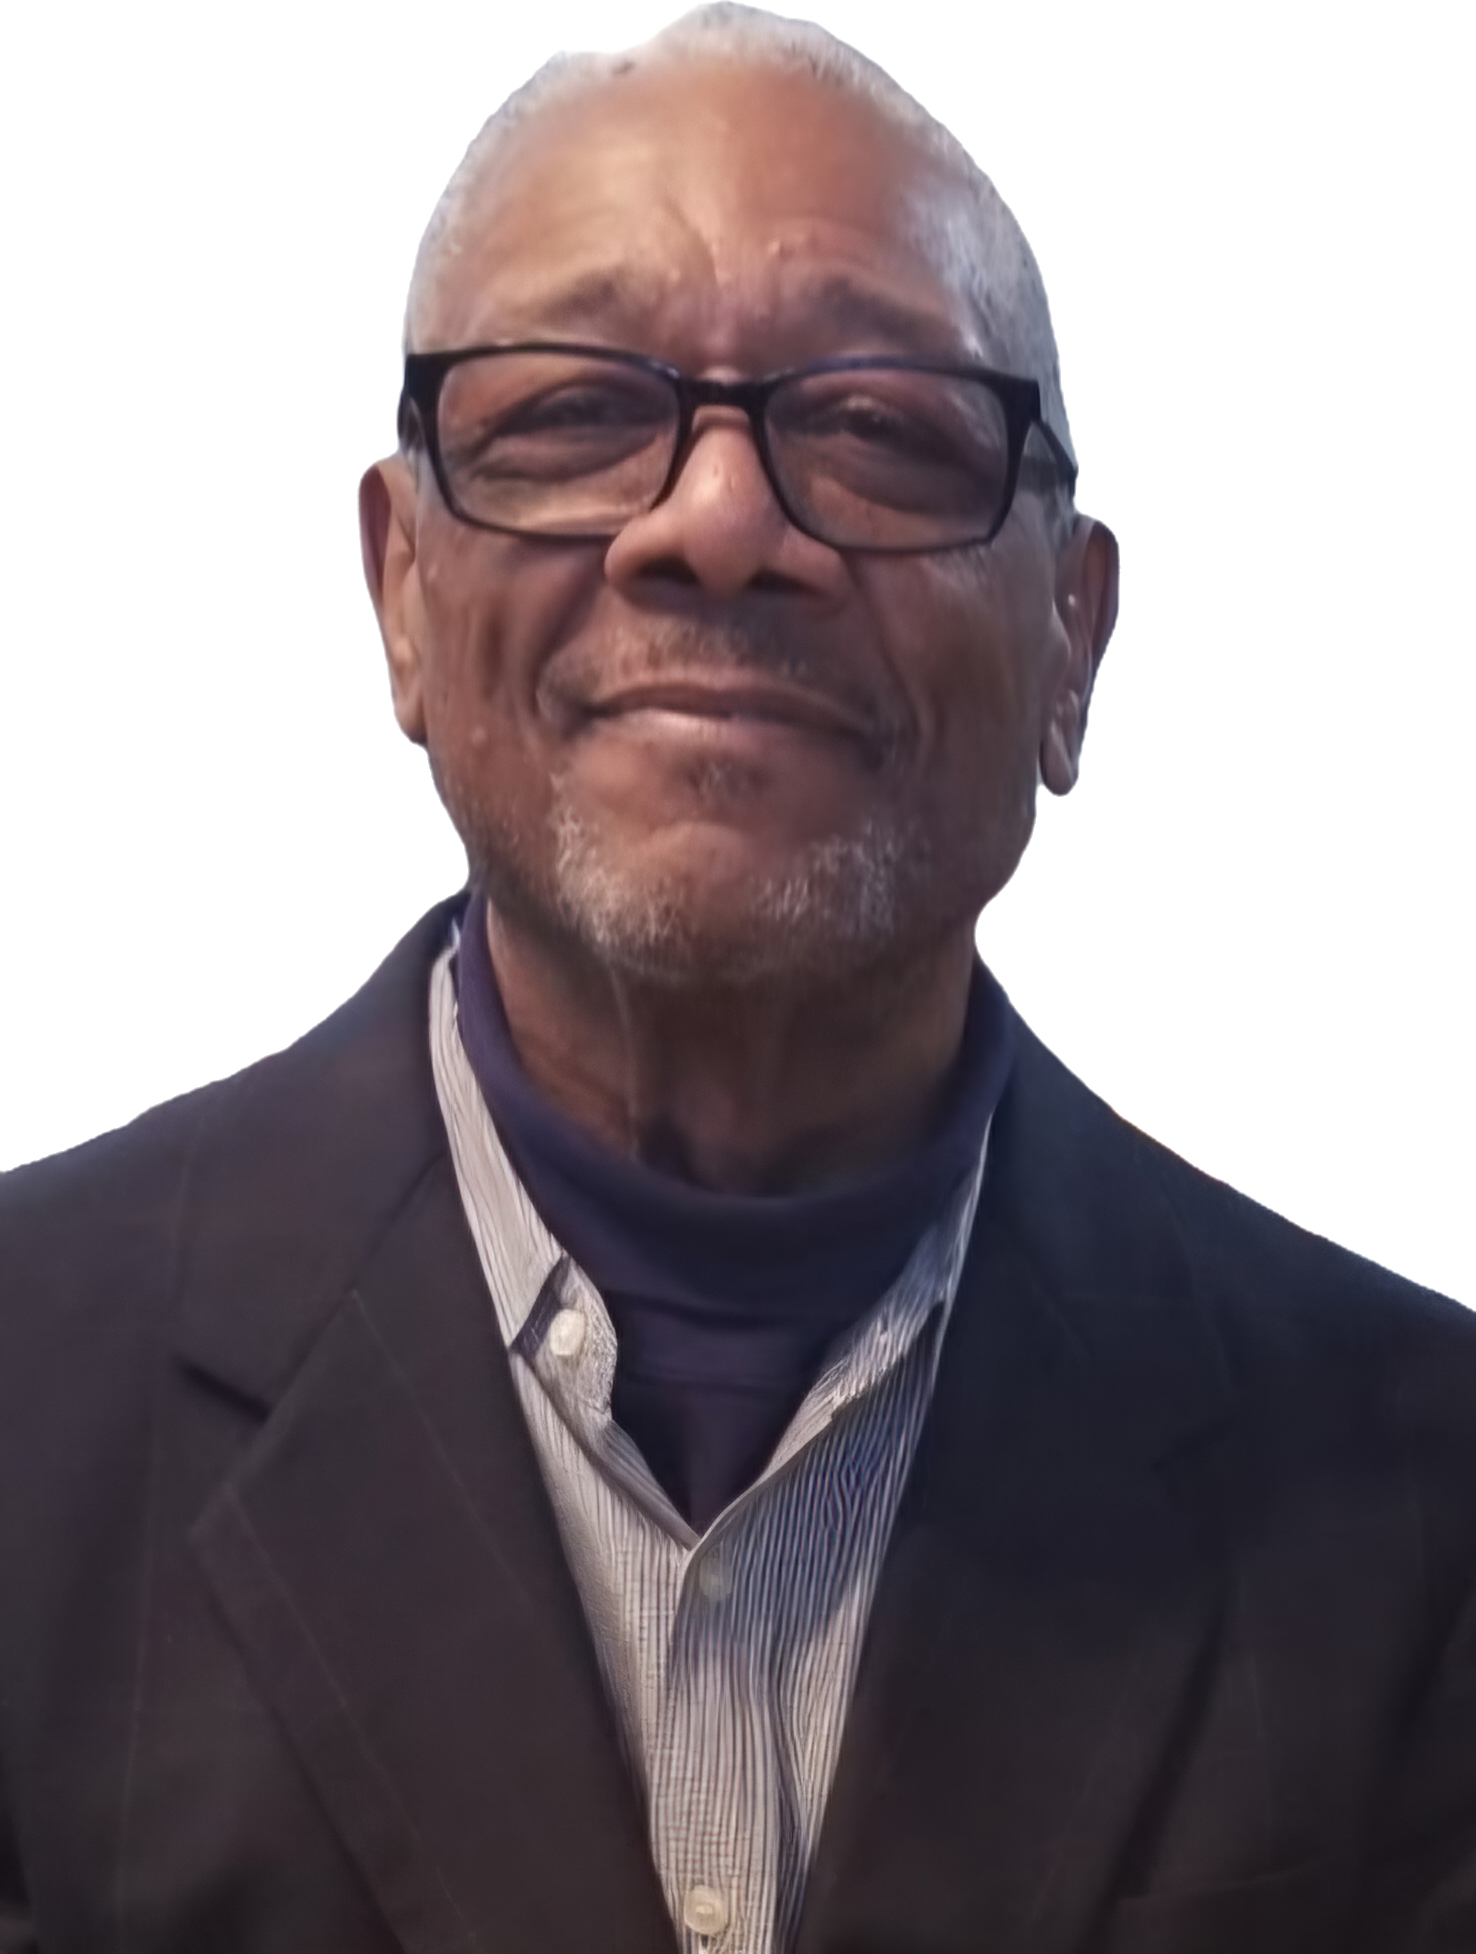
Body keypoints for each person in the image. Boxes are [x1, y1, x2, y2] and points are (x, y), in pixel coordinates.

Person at [1, 7, 1471, 1951]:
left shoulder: (1425, 1484)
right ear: (400, 592)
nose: (715, 524)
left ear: (1074, 641)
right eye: (571, 415)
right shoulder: (23, 1392)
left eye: (877, 426)